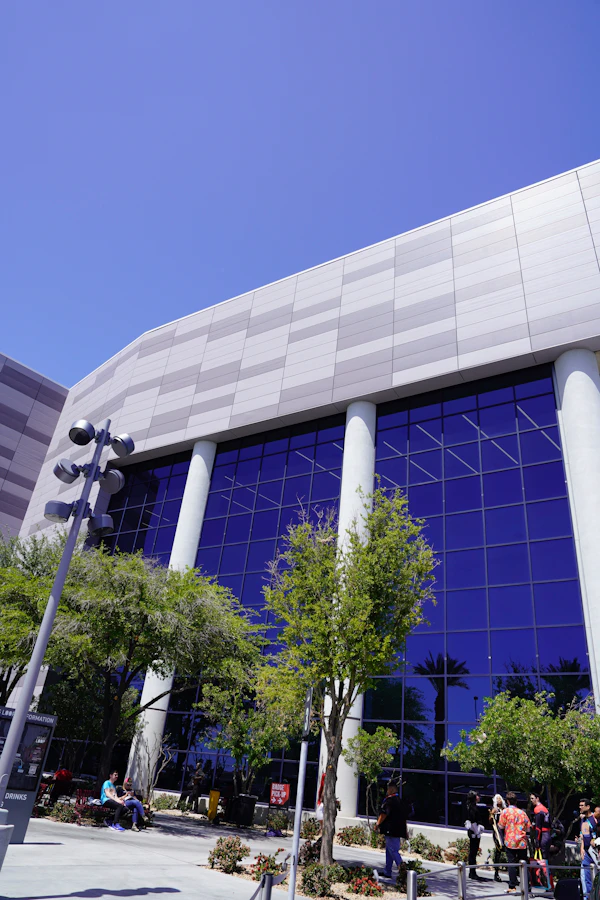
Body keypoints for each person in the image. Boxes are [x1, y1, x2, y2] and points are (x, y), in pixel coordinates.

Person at [376, 781, 409, 882]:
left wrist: (377, 824)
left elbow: (384, 814)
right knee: (389, 851)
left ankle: (402, 869)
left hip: (391, 829)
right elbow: (404, 817)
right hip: (398, 829)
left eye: (388, 789)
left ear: (392, 789)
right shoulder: (400, 801)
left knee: (393, 850)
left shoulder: (389, 801)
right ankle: (387, 871)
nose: (387, 791)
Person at [499, 791, 531, 894]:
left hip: (510, 841)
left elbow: (501, 826)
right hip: (521, 842)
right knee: (523, 864)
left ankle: (512, 886)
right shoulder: (522, 813)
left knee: (512, 864)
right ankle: (527, 886)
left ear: (507, 801)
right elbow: (528, 828)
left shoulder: (505, 812)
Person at [530, 792, 553, 891]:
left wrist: (537, 841)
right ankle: (550, 884)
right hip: (547, 835)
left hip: (543, 835)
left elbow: (538, 828)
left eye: (532, 798)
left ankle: (548, 884)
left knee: (544, 861)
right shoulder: (545, 809)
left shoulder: (538, 810)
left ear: (537, 798)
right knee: (546, 860)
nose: (531, 800)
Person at [579, 798, 597, 900]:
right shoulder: (582, 819)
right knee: (585, 878)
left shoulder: (594, 819)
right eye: (579, 805)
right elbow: (582, 835)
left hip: (595, 852)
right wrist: (582, 848)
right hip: (586, 852)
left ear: (588, 807)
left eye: (582, 805)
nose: (580, 807)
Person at [465, 790, 486, 881]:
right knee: (473, 852)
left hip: (474, 831)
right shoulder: (472, 808)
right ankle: (472, 872)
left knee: (473, 852)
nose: (479, 797)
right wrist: (477, 831)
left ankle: (472, 872)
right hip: (474, 832)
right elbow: (472, 820)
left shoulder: (472, 806)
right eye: (477, 796)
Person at [490, 794, 506, 883]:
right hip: (497, 833)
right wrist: (492, 814)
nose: (499, 800)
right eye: (497, 799)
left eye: (500, 798)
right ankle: (496, 873)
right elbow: (491, 821)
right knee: (498, 851)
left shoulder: (505, 810)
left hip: (505, 833)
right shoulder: (495, 810)